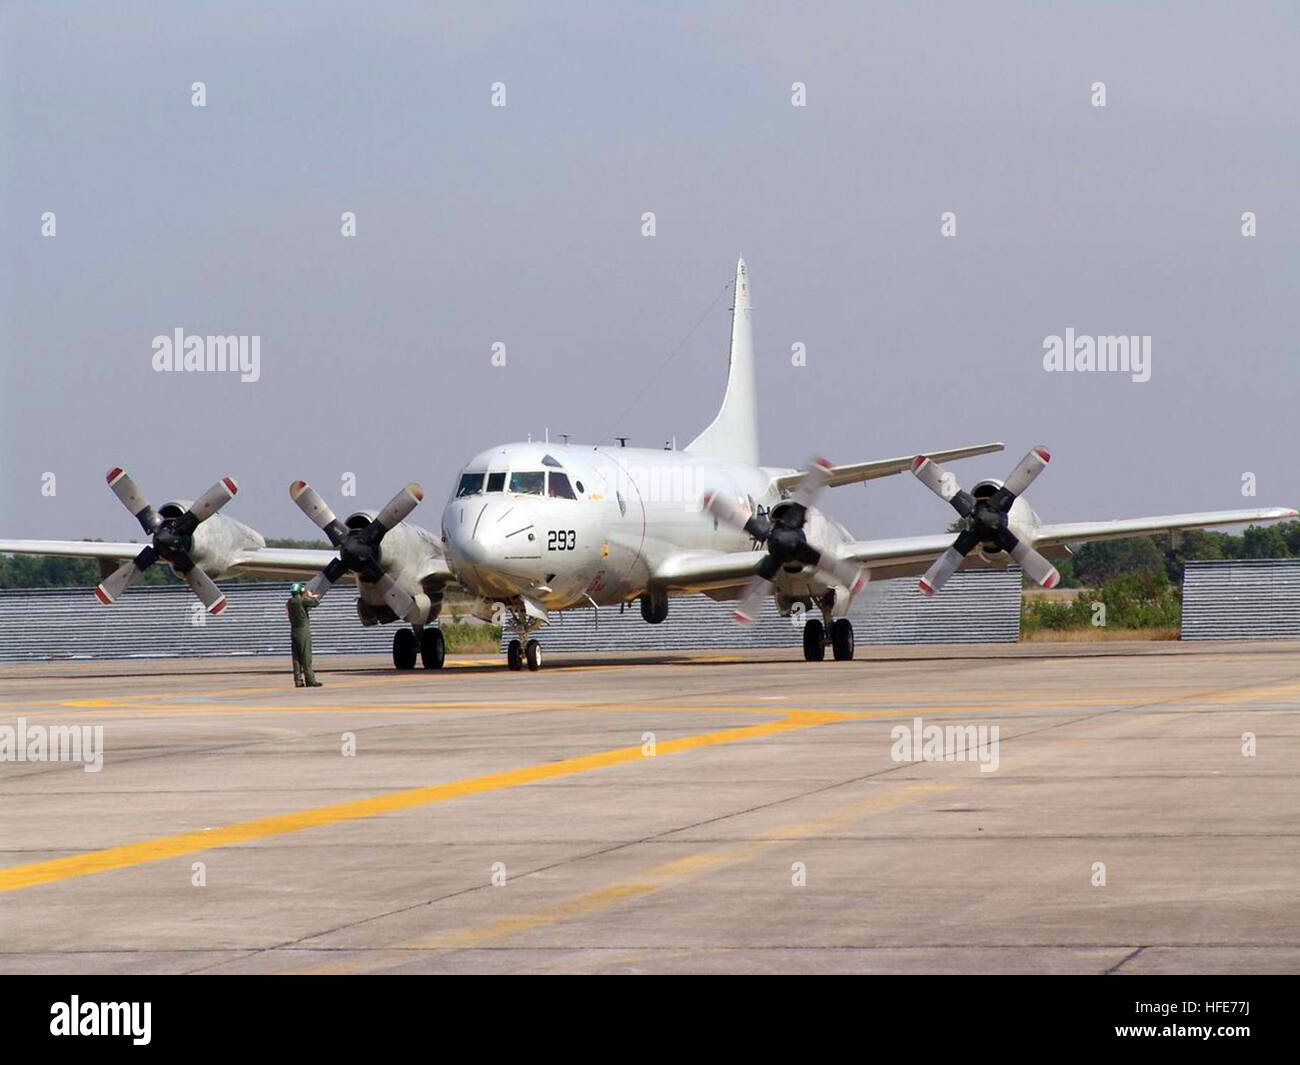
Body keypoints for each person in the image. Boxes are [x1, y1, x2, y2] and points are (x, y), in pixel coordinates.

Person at [286, 582, 323, 687]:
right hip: (303, 632)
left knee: (296, 658)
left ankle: (298, 681)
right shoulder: (301, 600)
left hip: (294, 631)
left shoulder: (290, 602)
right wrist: (311, 597)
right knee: (306, 657)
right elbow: (316, 603)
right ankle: (310, 680)